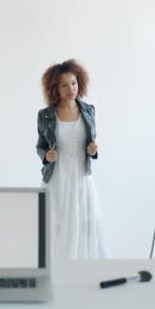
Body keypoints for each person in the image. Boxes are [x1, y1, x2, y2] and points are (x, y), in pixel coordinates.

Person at [36, 59, 105, 259]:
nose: (70, 89)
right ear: (55, 88)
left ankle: (80, 272)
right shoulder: (46, 115)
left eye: (73, 83)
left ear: (79, 83)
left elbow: (91, 145)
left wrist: (93, 150)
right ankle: (57, 271)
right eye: (64, 85)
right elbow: (40, 146)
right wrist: (46, 156)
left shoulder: (88, 110)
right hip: (57, 177)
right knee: (57, 225)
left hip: (81, 177)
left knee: (84, 224)